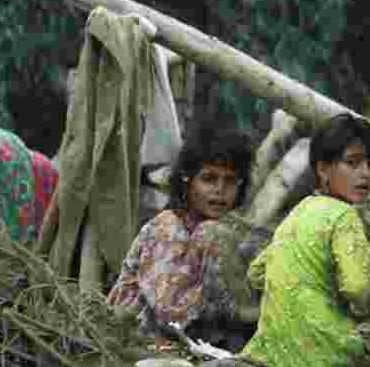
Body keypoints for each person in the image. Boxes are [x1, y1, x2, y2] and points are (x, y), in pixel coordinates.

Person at [241, 113, 370, 367]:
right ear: (323, 169)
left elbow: (255, 273)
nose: (365, 173)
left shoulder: (299, 211)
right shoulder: (345, 216)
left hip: (270, 351)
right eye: (352, 163)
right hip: (325, 354)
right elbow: (358, 288)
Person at [107, 132, 264, 350]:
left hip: (192, 337)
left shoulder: (225, 227)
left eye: (230, 180)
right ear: (187, 181)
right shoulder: (167, 227)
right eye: (209, 179)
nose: (220, 190)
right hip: (143, 336)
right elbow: (168, 310)